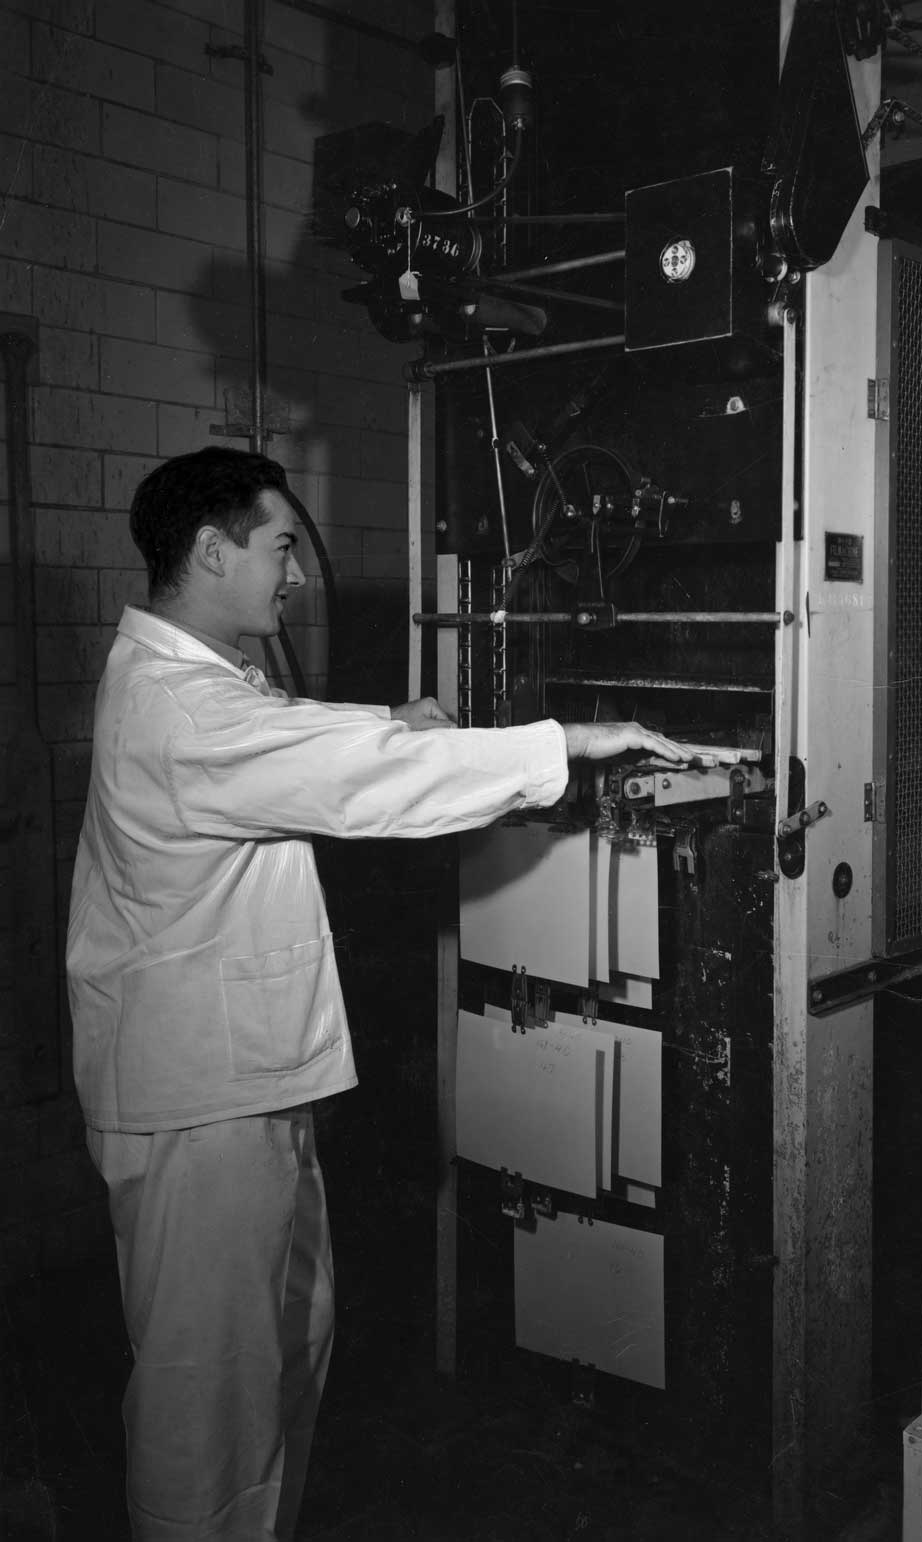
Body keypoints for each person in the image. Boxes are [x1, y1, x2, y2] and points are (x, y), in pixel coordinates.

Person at [66, 445, 690, 1541]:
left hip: (237, 1086)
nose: (298, 573)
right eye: (278, 547)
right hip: (200, 1105)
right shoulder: (181, 709)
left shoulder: (203, 688)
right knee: (207, 1405)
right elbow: (336, 775)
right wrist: (570, 745)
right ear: (210, 552)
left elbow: (299, 747)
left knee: (281, 1354)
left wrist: (392, 729)